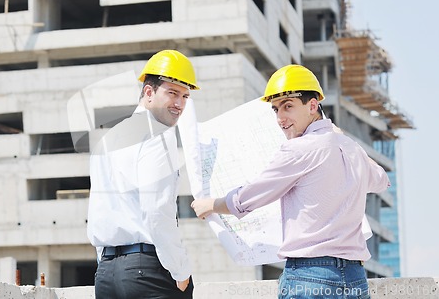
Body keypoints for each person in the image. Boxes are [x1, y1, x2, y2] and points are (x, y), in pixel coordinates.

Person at [191, 64, 389, 299]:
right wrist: (344, 139)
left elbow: (248, 198)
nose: (280, 118)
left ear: (313, 105)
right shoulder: (350, 148)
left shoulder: (299, 149)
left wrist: (210, 204)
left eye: (288, 107)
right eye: (275, 110)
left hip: (309, 277)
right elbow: (381, 181)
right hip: (355, 279)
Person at [88, 50, 199, 299]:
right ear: (148, 92)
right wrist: (181, 272)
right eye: (172, 93)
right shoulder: (158, 133)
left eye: (185, 96)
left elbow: (98, 211)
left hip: (106, 274)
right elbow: (156, 210)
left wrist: (108, 264)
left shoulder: (106, 140)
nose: (179, 104)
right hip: (146, 272)